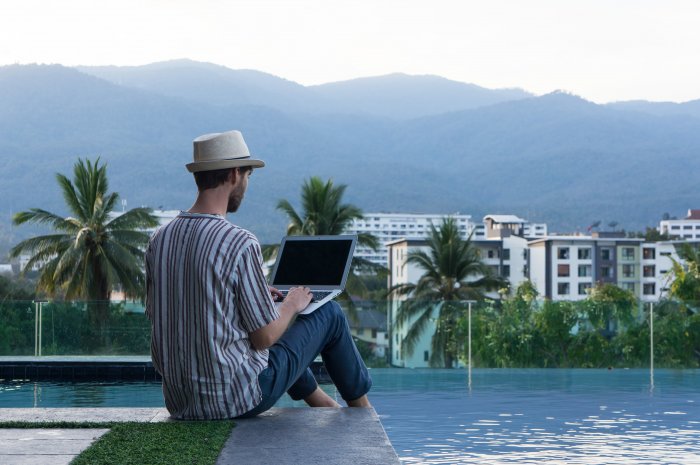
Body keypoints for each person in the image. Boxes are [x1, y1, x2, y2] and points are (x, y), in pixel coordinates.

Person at [145, 130, 371, 420]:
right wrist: (291, 304)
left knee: (277, 331)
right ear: (235, 174)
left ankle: (324, 404)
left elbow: (168, 314)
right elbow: (263, 338)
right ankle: (364, 414)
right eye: (249, 176)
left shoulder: (159, 239)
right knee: (331, 315)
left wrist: (256, 298)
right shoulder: (239, 241)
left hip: (181, 402)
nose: (246, 185)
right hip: (236, 399)